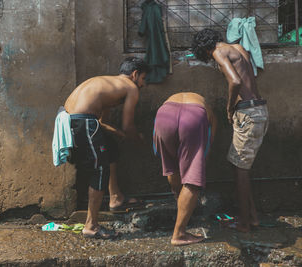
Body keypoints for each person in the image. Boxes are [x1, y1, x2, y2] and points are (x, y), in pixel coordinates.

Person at [61, 57, 148, 239]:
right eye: (143, 79)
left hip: (70, 119)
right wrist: (139, 142)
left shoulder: (108, 83)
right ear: (135, 74)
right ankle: (91, 226)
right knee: (100, 170)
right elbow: (128, 126)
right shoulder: (130, 87)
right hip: (82, 122)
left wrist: (119, 134)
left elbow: (102, 123)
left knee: (111, 147)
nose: (143, 84)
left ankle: (116, 198)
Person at [192, 28, 269, 232]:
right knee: (238, 166)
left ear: (204, 49)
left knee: (240, 170)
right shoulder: (238, 48)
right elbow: (250, 75)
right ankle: (251, 217)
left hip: (247, 112)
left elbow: (235, 81)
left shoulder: (218, 51)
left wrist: (229, 108)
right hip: (260, 109)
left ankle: (244, 223)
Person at [153, 92, 216, 246]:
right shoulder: (204, 105)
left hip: (164, 115)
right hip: (193, 118)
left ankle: (179, 201)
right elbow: (210, 135)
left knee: (172, 168)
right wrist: (202, 159)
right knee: (193, 179)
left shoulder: (170, 99)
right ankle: (179, 234)